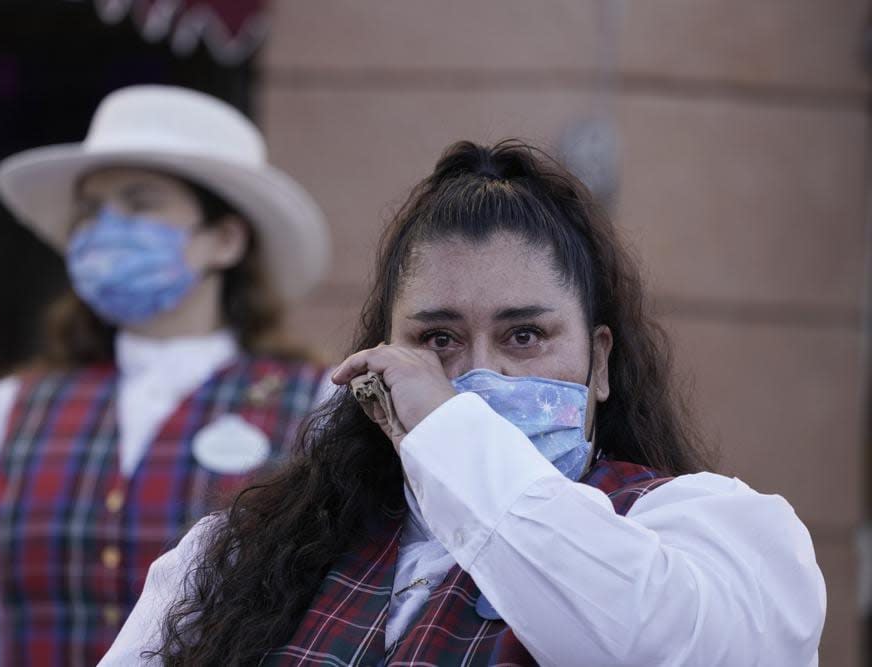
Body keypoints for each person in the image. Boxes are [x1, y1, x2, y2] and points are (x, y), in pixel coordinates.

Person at [99, 139, 826, 667]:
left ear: (600, 361)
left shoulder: (715, 532)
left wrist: (451, 434)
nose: (478, 374)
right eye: (437, 338)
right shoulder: (236, 556)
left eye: (526, 334)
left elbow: (645, 636)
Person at [0, 85, 331, 667]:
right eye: (91, 210)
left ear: (224, 240)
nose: (107, 227)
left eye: (139, 202)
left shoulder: (314, 402)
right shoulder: (5, 412)